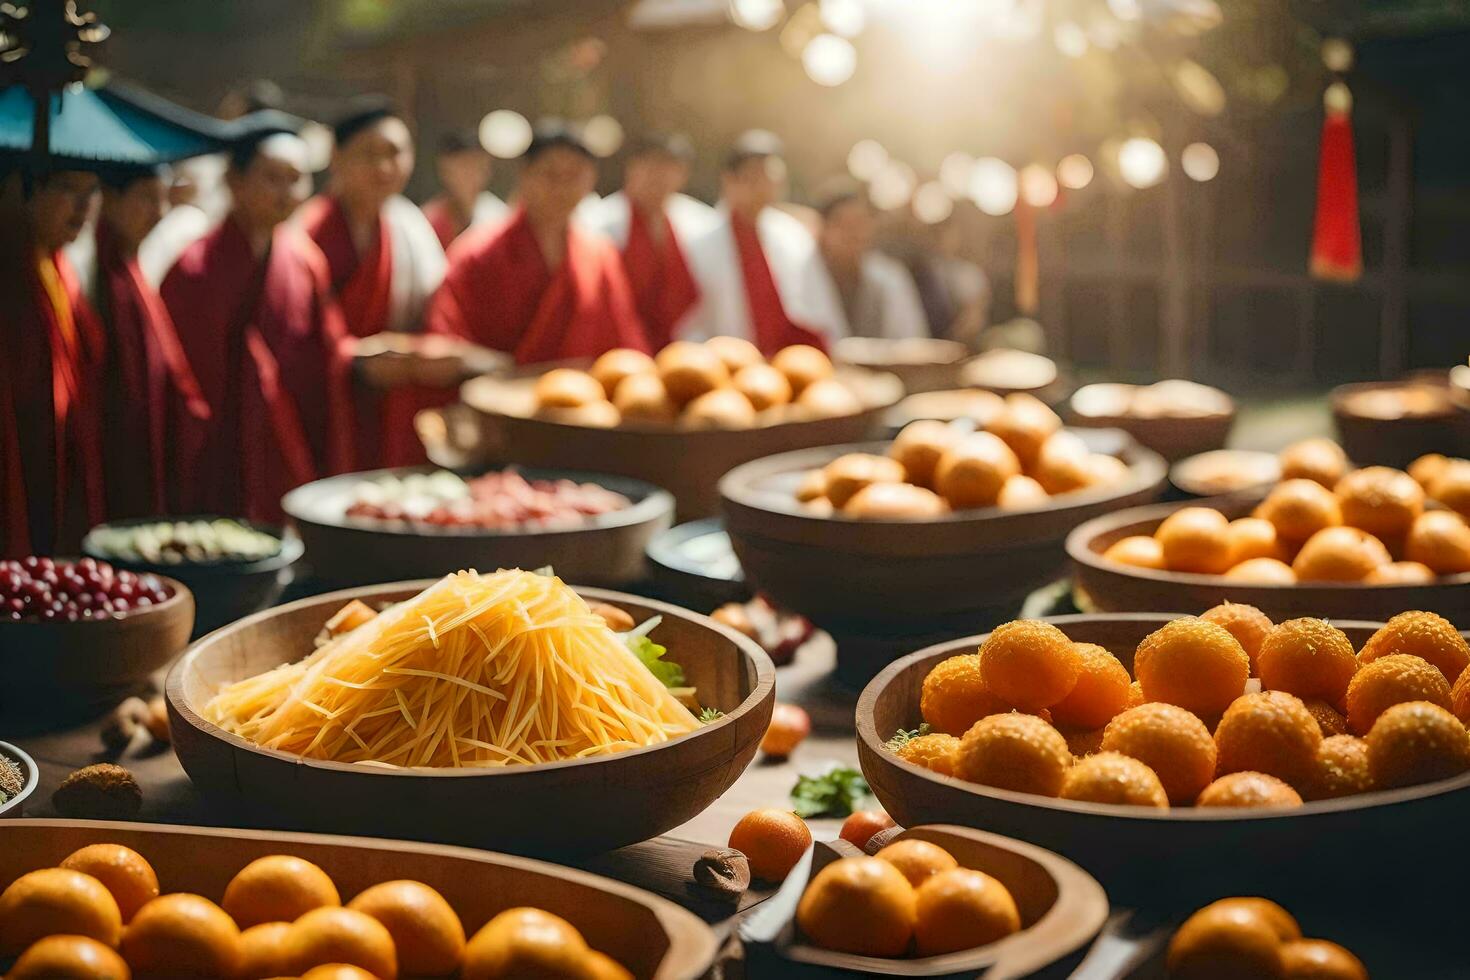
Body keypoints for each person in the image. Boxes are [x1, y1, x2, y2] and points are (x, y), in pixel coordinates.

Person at [161, 125, 355, 523]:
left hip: (286, 448)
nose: (286, 193)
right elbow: (175, 382)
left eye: (296, 180)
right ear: (235, 181)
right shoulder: (194, 269)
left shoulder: (305, 262)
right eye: (272, 178)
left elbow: (327, 363)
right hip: (215, 453)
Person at [423, 121, 649, 363]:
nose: (561, 187)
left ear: (591, 179)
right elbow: (446, 339)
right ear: (525, 175)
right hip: (493, 394)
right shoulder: (478, 251)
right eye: (550, 174)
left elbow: (624, 342)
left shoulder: (599, 253)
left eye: (574, 175)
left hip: (582, 393)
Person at [297, 97, 446, 466]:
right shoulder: (306, 232)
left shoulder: (410, 228)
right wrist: (352, 358)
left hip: (393, 398)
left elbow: (436, 313)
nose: (384, 167)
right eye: (368, 154)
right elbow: (292, 335)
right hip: (320, 400)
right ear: (337, 157)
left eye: (395, 153)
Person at [68, 165, 212, 521]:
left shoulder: (130, 270)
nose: (159, 213)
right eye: (147, 198)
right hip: (109, 447)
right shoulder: (88, 271)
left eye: (163, 199)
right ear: (112, 200)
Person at [0, 167, 107, 555]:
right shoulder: (11, 274)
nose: (82, 207)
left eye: (91, 191)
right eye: (66, 188)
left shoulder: (61, 269)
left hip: (60, 457)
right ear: (23, 192)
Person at [679, 130, 836, 352]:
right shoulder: (696, 241)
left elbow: (818, 311)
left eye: (770, 179)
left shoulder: (793, 236)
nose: (762, 188)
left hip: (788, 364)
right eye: (753, 178)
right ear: (729, 180)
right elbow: (686, 321)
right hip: (722, 365)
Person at [584, 133, 714, 349]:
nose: (658, 177)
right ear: (632, 168)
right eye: (651, 167)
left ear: (682, 175)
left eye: (669, 168)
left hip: (682, 345)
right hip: (615, 345)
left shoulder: (700, 222)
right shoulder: (599, 222)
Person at [809, 181, 928, 340]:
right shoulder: (802, 275)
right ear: (823, 228)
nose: (853, 234)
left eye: (860, 224)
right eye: (843, 225)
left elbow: (911, 339)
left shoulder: (890, 278)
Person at [421, 130, 507, 250]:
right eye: (464, 166)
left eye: (478, 165)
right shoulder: (427, 221)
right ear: (445, 170)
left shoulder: (499, 216)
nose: (472, 174)